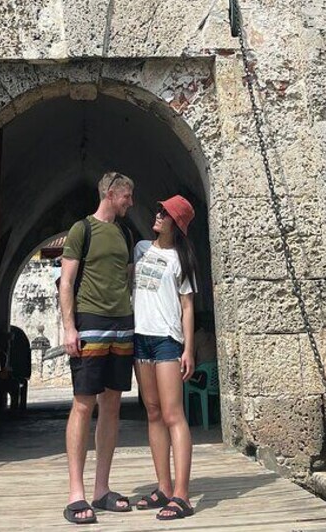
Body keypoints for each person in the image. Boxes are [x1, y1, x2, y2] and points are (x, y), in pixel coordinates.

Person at [59, 172, 135, 525]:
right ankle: (76, 493)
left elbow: (130, 279)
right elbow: (67, 282)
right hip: (90, 324)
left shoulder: (125, 232)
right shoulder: (81, 230)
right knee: (83, 404)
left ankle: (101, 489)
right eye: (126, 196)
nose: (130, 203)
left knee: (112, 405)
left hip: (122, 326)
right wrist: (69, 327)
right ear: (110, 193)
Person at [132, 195, 198, 520]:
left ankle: (182, 495)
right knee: (154, 412)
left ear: (176, 222)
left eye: (164, 213)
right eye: (158, 210)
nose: (157, 215)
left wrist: (188, 348)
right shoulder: (141, 249)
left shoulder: (180, 260)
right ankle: (163, 487)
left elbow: (187, 307)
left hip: (167, 341)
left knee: (174, 415)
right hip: (141, 339)